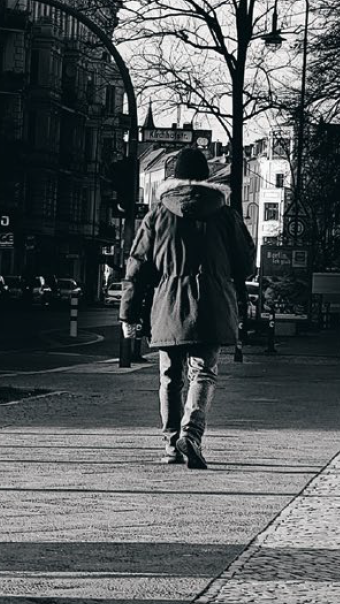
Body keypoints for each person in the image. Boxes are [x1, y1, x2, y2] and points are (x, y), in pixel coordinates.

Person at [119, 147, 256, 469]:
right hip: (214, 305)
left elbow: (137, 268)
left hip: (168, 304)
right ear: (207, 179)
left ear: (174, 179)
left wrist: (129, 314)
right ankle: (191, 434)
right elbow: (247, 264)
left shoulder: (157, 216)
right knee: (204, 372)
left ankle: (171, 446)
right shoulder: (226, 215)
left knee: (170, 377)